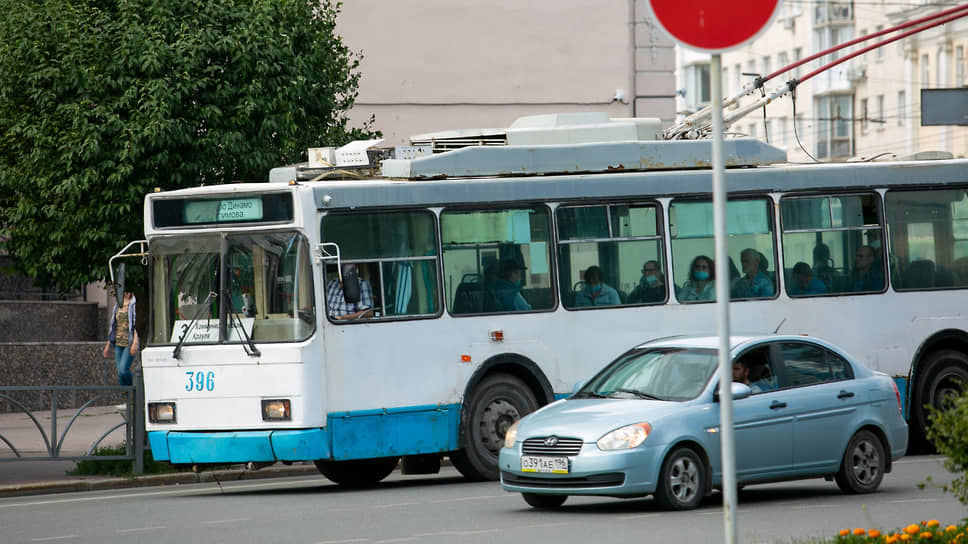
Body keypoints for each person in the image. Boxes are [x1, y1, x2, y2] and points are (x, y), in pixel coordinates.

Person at [102, 291, 138, 410]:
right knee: (119, 373)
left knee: (123, 370)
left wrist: (135, 343)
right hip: (118, 342)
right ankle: (127, 401)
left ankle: (137, 388)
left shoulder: (134, 303)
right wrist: (108, 345)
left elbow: (136, 325)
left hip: (129, 342)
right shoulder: (118, 304)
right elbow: (114, 326)